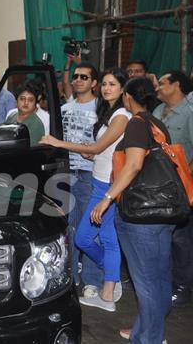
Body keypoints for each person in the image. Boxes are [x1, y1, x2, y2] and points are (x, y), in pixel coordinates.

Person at [90, 77, 175, 344]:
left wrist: (106, 198)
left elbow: (134, 165)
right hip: (163, 212)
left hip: (141, 215)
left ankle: (149, 339)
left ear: (128, 97)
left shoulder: (137, 124)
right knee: (159, 278)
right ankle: (148, 334)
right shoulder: (157, 123)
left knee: (147, 283)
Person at [41, 68, 130, 311]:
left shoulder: (122, 114)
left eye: (112, 84)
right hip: (98, 177)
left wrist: (57, 142)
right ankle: (109, 289)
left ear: (123, 89)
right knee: (107, 238)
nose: (106, 88)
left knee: (84, 236)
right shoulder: (110, 113)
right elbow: (103, 151)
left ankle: (107, 278)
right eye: (105, 84)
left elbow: (98, 146)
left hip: (105, 184)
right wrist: (91, 156)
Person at [152, 70, 193, 308]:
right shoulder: (158, 111)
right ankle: (163, 281)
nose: (158, 87)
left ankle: (182, 285)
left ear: (177, 85)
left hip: (181, 186)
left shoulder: (188, 113)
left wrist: (185, 178)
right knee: (162, 236)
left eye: (163, 83)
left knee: (181, 239)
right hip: (159, 185)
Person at [60, 62, 102, 289]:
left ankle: (92, 280)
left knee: (90, 228)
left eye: (84, 77)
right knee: (69, 228)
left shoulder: (101, 109)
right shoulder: (65, 109)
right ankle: (72, 278)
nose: (78, 80)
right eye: (75, 76)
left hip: (90, 175)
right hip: (66, 174)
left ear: (94, 83)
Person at [5, 81, 45, 146]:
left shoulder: (36, 124)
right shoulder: (11, 116)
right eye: (22, 99)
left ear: (35, 103)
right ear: (16, 100)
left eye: (30, 100)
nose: (26, 103)